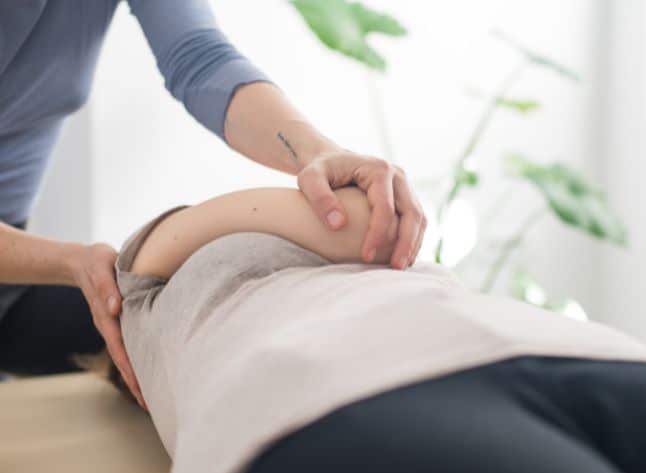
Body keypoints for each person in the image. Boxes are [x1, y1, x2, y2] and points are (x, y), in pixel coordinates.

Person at [106, 185, 646, 473]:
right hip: (330, 402)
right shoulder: (141, 295)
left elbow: (365, 220)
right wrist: (320, 183)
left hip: (545, 348)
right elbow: (359, 219)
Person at [0, 1, 425, 407]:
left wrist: (318, 154)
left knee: (172, 329)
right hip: (25, 266)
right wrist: (69, 261)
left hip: (15, 287)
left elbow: (198, 58)